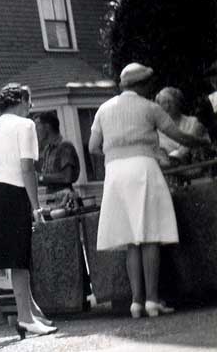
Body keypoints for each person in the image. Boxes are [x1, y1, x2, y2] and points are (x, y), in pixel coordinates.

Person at [89, 63, 210, 318]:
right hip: (143, 168)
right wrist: (203, 142)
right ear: (143, 85)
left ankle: (136, 301)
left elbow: (93, 147)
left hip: (115, 173)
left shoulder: (104, 110)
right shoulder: (149, 107)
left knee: (132, 240)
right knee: (150, 235)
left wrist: (115, 155)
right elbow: (179, 136)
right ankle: (153, 299)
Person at [0, 84, 58, 339]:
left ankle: (31, 312)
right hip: (11, 190)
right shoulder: (25, 126)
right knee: (20, 257)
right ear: (22, 99)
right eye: (30, 101)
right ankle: (25, 318)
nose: (31, 107)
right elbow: (26, 168)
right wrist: (36, 206)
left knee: (15, 257)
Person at [154, 86, 210, 166]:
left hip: (197, 168)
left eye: (170, 102)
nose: (167, 106)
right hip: (173, 172)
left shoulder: (192, 122)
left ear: (178, 102)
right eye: (163, 103)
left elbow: (200, 143)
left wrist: (178, 155)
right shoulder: (157, 131)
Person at [34, 111, 81, 191]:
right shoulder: (47, 150)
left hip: (65, 198)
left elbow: (67, 177)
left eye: (37, 126)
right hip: (51, 198)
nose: (35, 130)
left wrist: (39, 177)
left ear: (47, 126)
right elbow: (46, 177)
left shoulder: (65, 146)